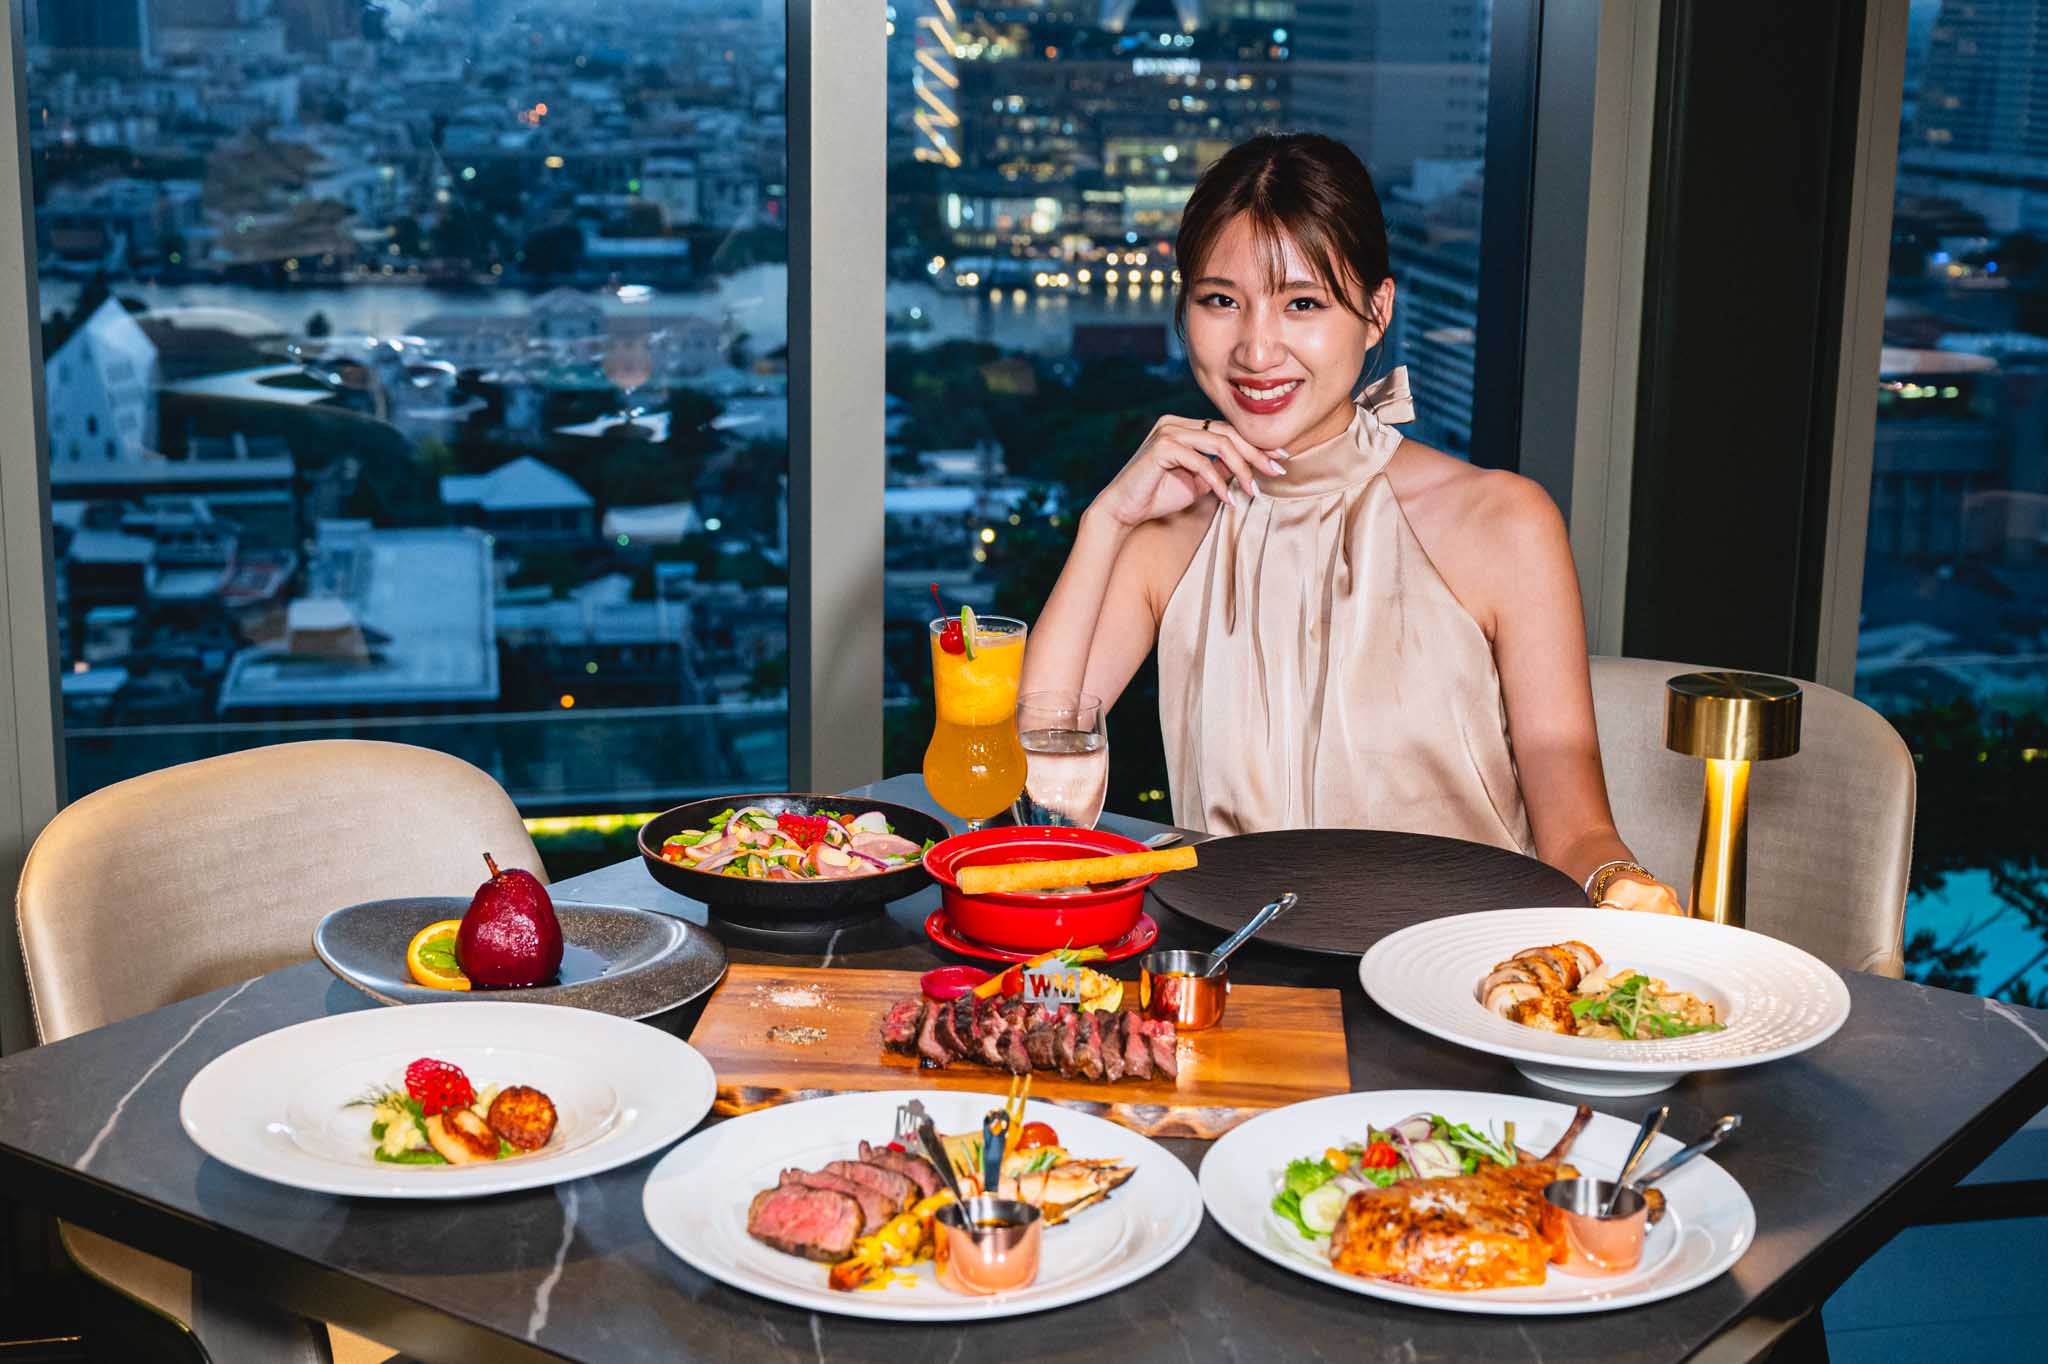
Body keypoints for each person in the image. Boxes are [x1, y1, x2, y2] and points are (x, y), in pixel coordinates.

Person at [1021, 132, 1682, 914]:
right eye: (1220, 301)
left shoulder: (1504, 521)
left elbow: (1575, 829)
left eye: (1302, 304)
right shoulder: (1165, 534)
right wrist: (1107, 519)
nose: (1256, 350)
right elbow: (1031, 777)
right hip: (1232, 964)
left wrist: (1619, 886)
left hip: (1454, 968)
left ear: (1377, 313)